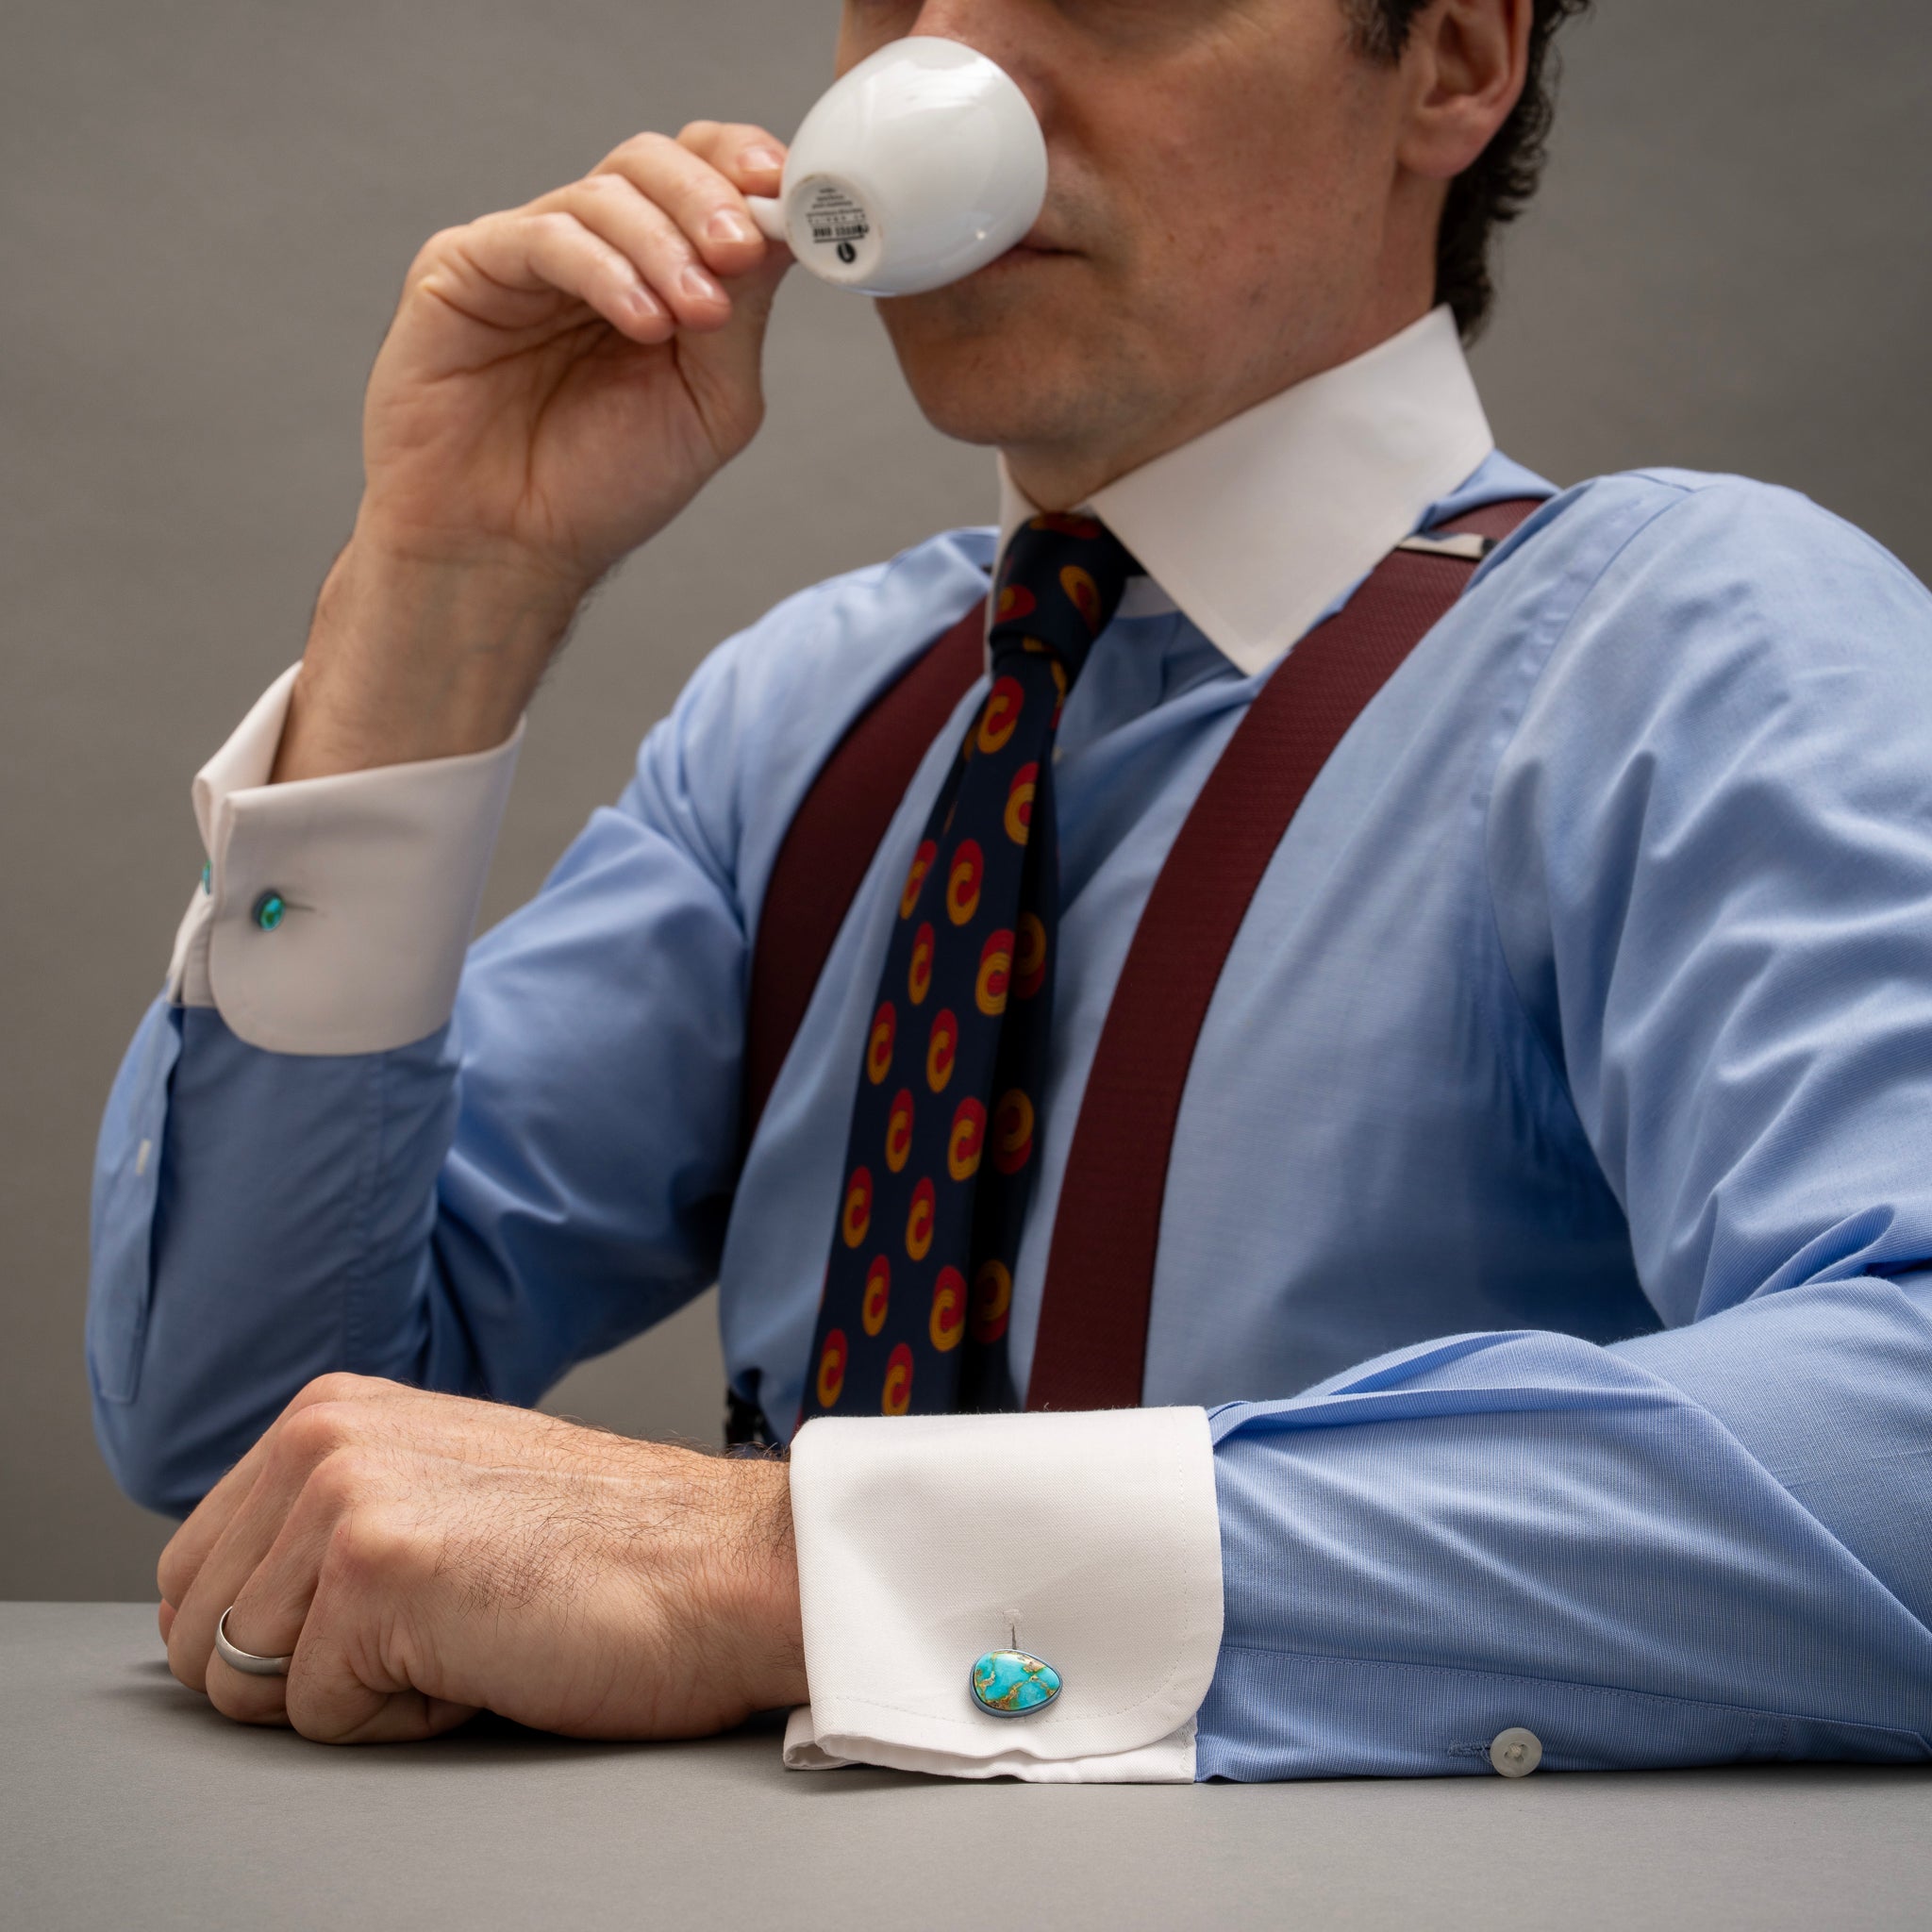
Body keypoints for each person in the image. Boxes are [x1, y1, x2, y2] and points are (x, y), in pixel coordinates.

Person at [90, 0, 1932, 1780]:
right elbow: (260, 1452)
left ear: (1448, 58)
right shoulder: (805, 723)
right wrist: (440, 593)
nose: (940, 68)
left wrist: (799, 1563)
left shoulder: (1702, 653)